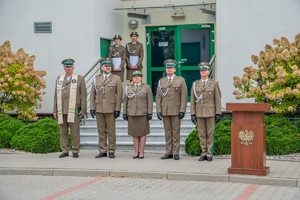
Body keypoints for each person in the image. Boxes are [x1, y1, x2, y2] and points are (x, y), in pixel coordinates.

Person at [53, 58, 87, 158]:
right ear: (64, 68)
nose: (68, 69)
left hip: (74, 109)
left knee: (75, 131)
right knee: (63, 132)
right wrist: (55, 109)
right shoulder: (59, 78)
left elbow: (83, 95)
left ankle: (75, 150)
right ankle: (64, 150)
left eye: (70, 67)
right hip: (61, 109)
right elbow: (56, 95)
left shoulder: (80, 79)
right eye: (66, 67)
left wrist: (83, 109)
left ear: (73, 67)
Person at [90, 58, 123, 159]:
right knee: (101, 131)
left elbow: (119, 94)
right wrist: (92, 108)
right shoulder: (96, 79)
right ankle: (102, 150)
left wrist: (117, 109)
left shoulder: (116, 78)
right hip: (99, 107)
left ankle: (111, 150)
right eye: (106, 65)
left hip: (110, 108)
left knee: (111, 131)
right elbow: (92, 94)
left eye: (109, 65)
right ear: (102, 67)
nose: (108, 67)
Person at [156, 59, 188, 160]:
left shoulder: (180, 80)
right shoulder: (162, 81)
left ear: (174, 69)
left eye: (171, 68)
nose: (169, 70)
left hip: (176, 109)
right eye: (167, 68)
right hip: (165, 109)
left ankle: (176, 152)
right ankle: (168, 152)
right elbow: (158, 96)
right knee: (167, 132)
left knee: (176, 131)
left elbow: (184, 96)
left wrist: (182, 110)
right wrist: (158, 110)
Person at [190, 62, 222, 162]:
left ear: (208, 72)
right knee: (201, 133)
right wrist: (192, 113)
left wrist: (218, 112)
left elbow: (217, 99)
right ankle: (203, 153)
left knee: (210, 134)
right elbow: (192, 100)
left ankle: (209, 153)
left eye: (205, 70)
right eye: (201, 71)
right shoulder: (195, 84)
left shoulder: (214, 84)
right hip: (199, 112)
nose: (203, 72)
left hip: (210, 112)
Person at [123, 71, 153, 159]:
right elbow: (125, 101)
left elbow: (150, 100)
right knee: (134, 133)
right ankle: (136, 151)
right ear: (132, 78)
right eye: (135, 76)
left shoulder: (146, 87)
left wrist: (150, 112)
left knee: (142, 133)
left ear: (141, 77)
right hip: (132, 113)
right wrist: (124, 112)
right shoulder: (128, 88)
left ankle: (142, 152)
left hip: (142, 113)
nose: (136, 77)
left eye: (138, 76)